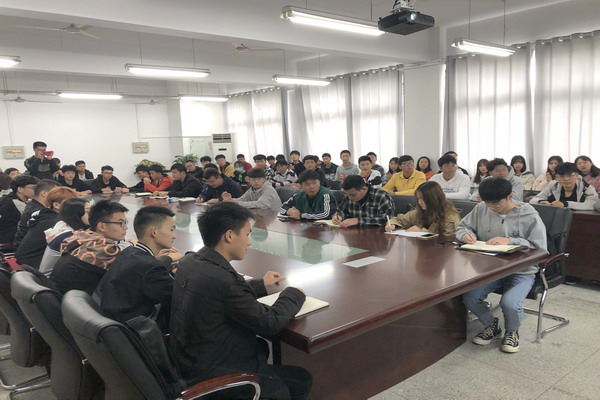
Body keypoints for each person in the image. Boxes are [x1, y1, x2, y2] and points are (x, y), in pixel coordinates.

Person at [169, 202, 311, 400]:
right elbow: (269, 323)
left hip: (189, 359)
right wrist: (293, 294)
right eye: (247, 234)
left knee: (261, 347)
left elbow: (220, 294)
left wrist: (261, 284)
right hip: (216, 371)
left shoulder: (190, 261)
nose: (249, 242)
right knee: (302, 379)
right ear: (229, 235)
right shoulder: (223, 280)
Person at [459, 178, 547, 353]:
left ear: (510, 197)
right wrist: (465, 235)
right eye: (488, 203)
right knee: (469, 297)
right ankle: (491, 325)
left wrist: (511, 241)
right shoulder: (481, 208)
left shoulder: (529, 215)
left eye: (496, 204)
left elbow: (540, 248)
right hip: (490, 269)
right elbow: (462, 226)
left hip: (521, 271)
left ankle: (512, 332)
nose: (491, 208)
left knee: (509, 303)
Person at [94, 206, 181, 332]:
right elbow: (177, 295)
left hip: (113, 318)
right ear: (154, 232)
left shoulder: (128, 251)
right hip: (136, 328)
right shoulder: (150, 267)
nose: (174, 236)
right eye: (171, 229)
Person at [51, 200, 130, 295]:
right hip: (75, 301)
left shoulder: (80, 237)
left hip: (62, 297)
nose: (125, 227)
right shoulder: (106, 250)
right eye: (121, 223)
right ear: (102, 226)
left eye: (125, 222)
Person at [16, 187, 78, 269]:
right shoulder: (57, 224)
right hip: (34, 267)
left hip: (26, 263)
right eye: (71, 203)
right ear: (56, 205)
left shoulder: (46, 217)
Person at [386, 181, 460, 236]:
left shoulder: (450, 217)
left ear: (433, 199)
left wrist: (422, 231)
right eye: (418, 199)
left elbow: (447, 240)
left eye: (422, 199)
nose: (419, 202)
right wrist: (392, 225)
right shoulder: (420, 211)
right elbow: (399, 219)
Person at [39, 198, 91, 276]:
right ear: (76, 214)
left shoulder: (63, 225)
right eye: (88, 212)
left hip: (54, 275)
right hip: (51, 279)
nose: (92, 215)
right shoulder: (69, 236)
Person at [530, 162, 598, 210]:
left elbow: (592, 205)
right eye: (562, 176)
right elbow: (533, 200)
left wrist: (565, 204)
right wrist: (540, 202)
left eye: (570, 175)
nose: (566, 179)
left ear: (577, 175)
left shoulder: (587, 188)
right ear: (557, 177)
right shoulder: (553, 186)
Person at [14, 179, 61, 247]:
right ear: (44, 193)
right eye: (55, 193)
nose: (57, 197)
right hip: (30, 249)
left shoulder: (33, 205)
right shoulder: (38, 212)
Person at [0, 175, 38, 245]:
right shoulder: (14, 203)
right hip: (8, 242)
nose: (36, 191)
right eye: (33, 188)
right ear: (20, 189)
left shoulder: (10, 198)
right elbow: (34, 217)